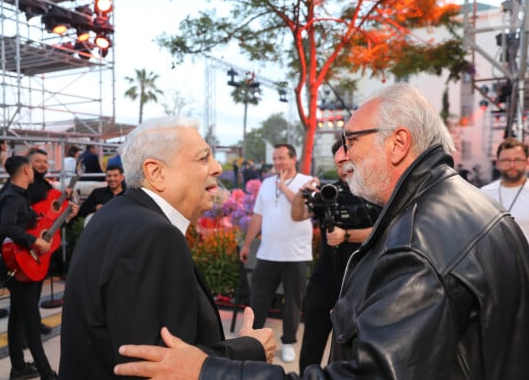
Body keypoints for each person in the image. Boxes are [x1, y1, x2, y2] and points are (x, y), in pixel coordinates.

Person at [113, 83, 529, 379]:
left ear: (398, 143)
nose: (344, 155)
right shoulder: (474, 203)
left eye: (351, 140)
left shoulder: (417, 245)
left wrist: (210, 370)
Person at [59, 116, 275, 379]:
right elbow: (161, 366)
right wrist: (250, 349)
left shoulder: (119, 215)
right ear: (156, 173)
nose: (217, 167)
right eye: (203, 158)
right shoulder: (154, 235)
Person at [292, 140, 381, 374]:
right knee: (312, 344)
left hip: (360, 284)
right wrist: (299, 195)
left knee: (351, 350)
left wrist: (346, 235)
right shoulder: (327, 192)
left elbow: (384, 230)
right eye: (338, 162)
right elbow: (298, 215)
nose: (343, 167)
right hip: (324, 282)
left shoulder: (373, 192)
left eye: (347, 160)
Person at [238, 143, 313, 363]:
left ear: (293, 159)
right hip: (267, 254)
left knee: (292, 302)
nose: (278, 162)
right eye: (275, 159)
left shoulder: (307, 183)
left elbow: (304, 211)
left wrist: (283, 186)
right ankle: (253, 341)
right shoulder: (266, 184)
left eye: (282, 158)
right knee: (258, 299)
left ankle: (288, 342)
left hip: (296, 255)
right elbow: (258, 217)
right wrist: (246, 243)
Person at [0, 156, 58, 380]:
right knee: (31, 322)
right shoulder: (12, 198)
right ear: (26, 171)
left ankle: (19, 368)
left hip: (17, 264)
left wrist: (64, 216)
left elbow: (35, 221)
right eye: (32, 167)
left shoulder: (20, 196)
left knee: (18, 317)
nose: (34, 171)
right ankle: (47, 374)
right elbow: (7, 227)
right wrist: (33, 242)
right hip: (17, 266)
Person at [26, 148, 78, 333]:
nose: (42, 164)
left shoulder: (47, 186)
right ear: (28, 164)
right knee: (26, 289)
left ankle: (34, 323)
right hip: (27, 241)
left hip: (43, 241)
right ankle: (26, 330)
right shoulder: (24, 185)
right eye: (38, 161)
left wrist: (69, 214)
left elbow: (54, 216)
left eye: (45, 161)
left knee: (37, 285)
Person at [480, 137, 529, 240]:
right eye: (506, 160)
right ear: (497, 164)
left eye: (518, 160)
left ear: (527, 163)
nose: (512, 165)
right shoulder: (484, 194)